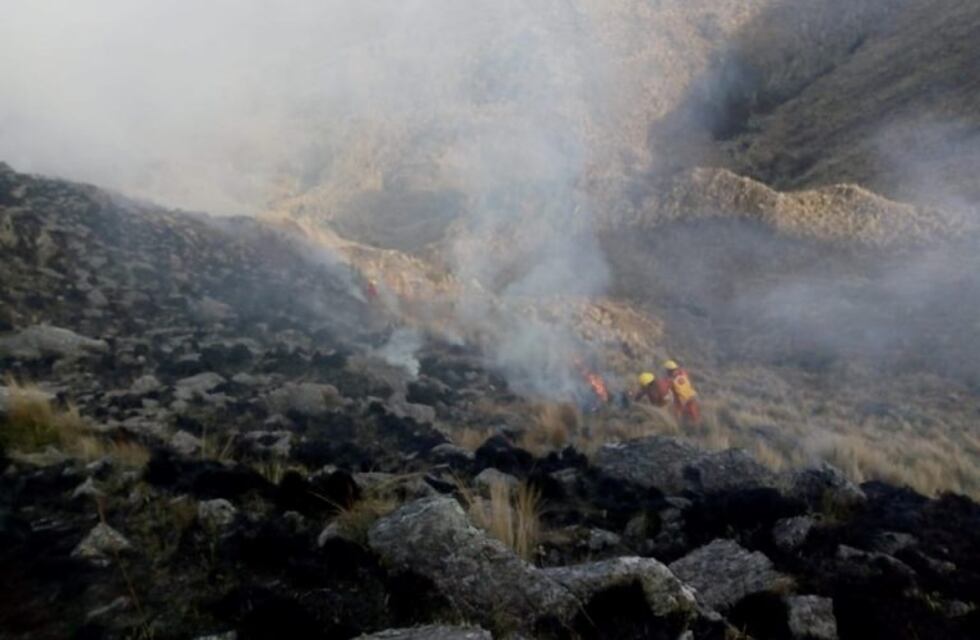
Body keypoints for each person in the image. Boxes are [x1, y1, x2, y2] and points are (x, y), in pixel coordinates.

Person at [663, 360, 701, 426]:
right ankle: (697, 428)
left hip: (682, 401)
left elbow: (667, 393)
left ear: (669, 371)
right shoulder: (683, 373)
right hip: (692, 397)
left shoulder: (670, 381)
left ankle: (682, 428)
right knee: (695, 416)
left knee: (678, 417)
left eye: (667, 370)